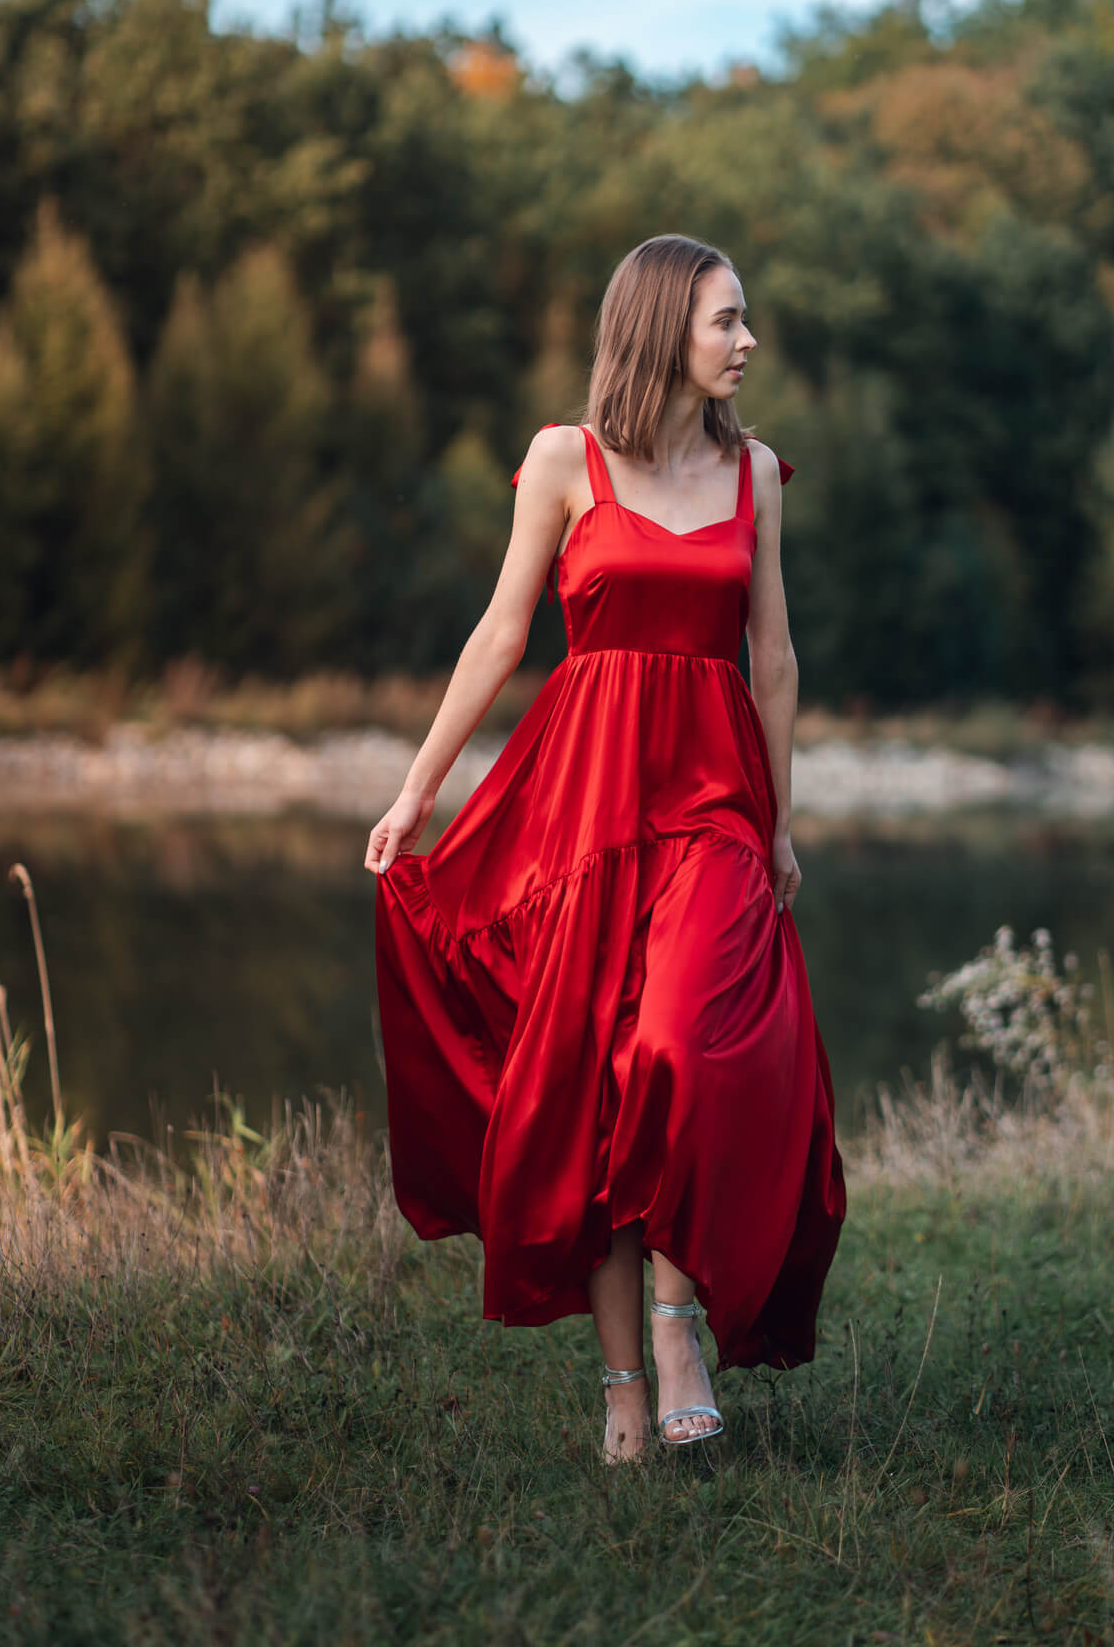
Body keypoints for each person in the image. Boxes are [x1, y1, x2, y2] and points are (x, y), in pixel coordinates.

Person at [367, 232, 846, 1465]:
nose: (747, 341)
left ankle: (680, 1322)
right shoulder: (562, 460)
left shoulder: (759, 478)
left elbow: (774, 657)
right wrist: (419, 789)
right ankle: (623, 1386)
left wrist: (780, 817)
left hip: (717, 806)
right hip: (582, 805)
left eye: (746, 320)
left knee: (688, 1043)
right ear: (661, 329)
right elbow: (498, 634)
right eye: (726, 320)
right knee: (595, 1086)